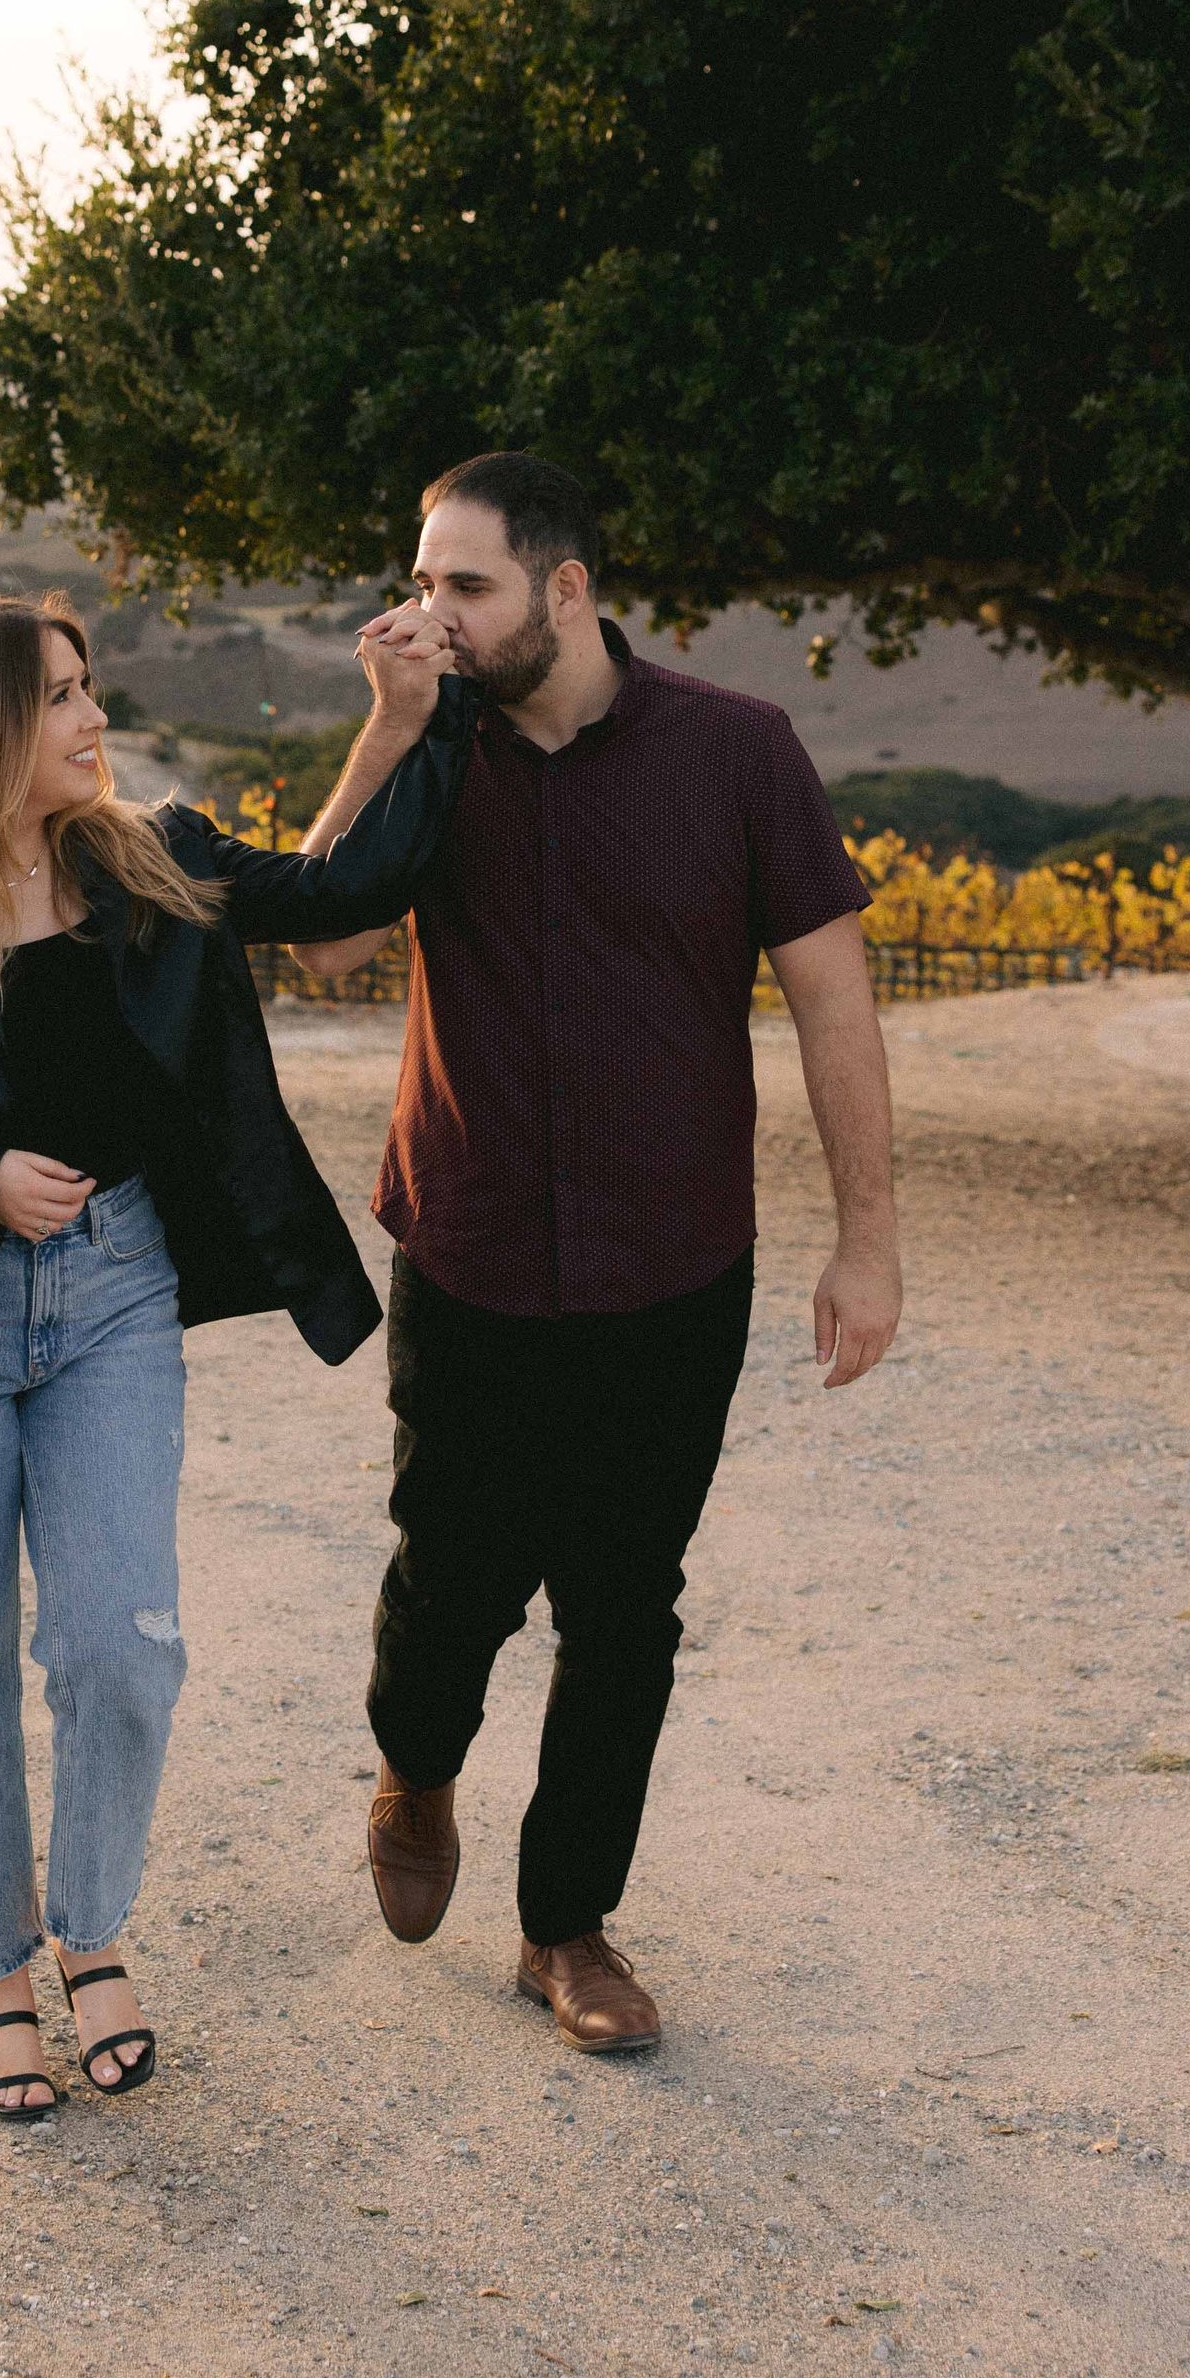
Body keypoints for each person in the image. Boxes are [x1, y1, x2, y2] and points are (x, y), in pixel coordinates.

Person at [0, 587, 470, 2120]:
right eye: (63, 695)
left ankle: (90, 1928)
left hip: (118, 1293)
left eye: (92, 688)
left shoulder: (157, 859)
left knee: (118, 1646)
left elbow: (349, 884)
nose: (95, 720)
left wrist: (405, 718)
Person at [291, 452, 901, 2056]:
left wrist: (869, 1243)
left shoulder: (740, 754)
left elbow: (835, 1000)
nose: (428, 612)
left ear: (566, 589)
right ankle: (415, 1766)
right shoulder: (434, 748)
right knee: (452, 1590)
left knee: (626, 1609)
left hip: (670, 1268)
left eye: (463, 586)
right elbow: (326, 932)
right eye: (420, 582)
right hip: (475, 1250)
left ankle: (566, 1922)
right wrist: (394, 726)